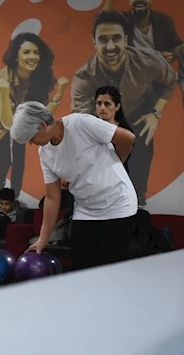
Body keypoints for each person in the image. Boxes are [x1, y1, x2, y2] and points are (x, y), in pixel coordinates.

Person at [10, 101, 138, 270]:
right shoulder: (45, 153)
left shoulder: (79, 124)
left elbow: (128, 138)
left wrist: (116, 164)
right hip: (85, 210)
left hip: (117, 204)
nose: (32, 143)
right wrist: (43, 238)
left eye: (31, 138)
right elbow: (52, 197)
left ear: (42, 124)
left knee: (109, 269)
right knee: (82, 268)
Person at [71, 11, 177, 206]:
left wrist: (156, 113)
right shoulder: (83, 78)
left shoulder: (149, 60)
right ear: (94, 43)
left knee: (140, 149)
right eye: (103, 40)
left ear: (126, 40)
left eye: (116, 39)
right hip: (102, 121)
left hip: (140, 110)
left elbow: (171, 81)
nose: (110, 46)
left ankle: (138, 202)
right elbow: (82, 123)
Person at [0, 33, 67, 199]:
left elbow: (43, 118)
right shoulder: (3, 78)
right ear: (16, 56)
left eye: (36, 52)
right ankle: (0, 183)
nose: (32, 57)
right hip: (1, 112)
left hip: (22, 114)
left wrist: (58, 95)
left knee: (19, 153)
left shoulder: (41, 77)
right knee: (4, 158)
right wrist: (3, 94)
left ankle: (15, 194)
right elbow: (9, 123)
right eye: (26, 52)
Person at [95, 85, 133, 176]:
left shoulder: (125, 133)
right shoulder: (89, 127)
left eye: (107, 104)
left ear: (117, 107)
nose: (102, 108)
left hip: (114, 178)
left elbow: (119, 161)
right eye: (99, 103)